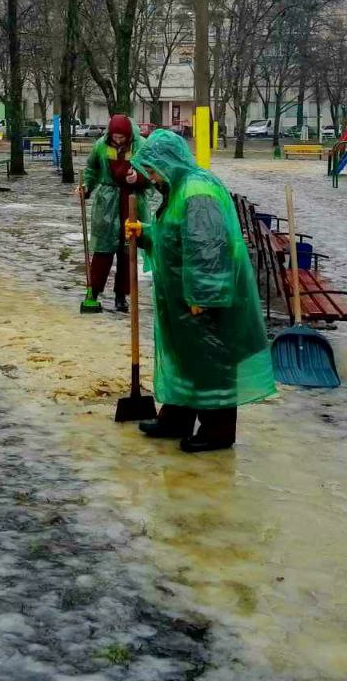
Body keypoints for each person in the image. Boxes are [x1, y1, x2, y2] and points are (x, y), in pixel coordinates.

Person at [125, 129, 275, 453]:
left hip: (206, 302)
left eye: (152, 168)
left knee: (211, 363)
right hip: (184, 301)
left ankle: (217, 431)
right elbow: (176, 237)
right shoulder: (179, 189)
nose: (151, 177)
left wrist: (204, 297)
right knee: (186, 359)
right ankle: (175, 418)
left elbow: (209, 247)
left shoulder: (197, 190)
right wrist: (147, 233)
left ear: (169, 162)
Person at [76, 115, 149, 313]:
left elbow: (152, 173)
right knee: (102, 250)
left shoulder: (141, 145)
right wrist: (86, 187)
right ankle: (93, 292)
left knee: (128, 250)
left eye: (122, 138)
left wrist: (138, 178)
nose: (118, 141)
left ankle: (121, 295)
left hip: (132, 202)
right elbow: (92, 169)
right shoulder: (100, 145)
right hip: (106, 204)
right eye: (115, 137)